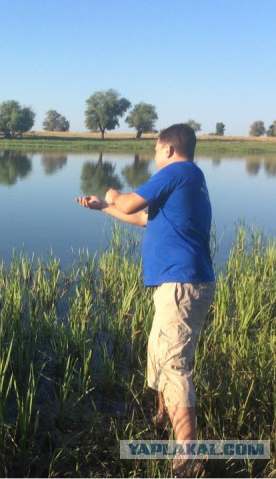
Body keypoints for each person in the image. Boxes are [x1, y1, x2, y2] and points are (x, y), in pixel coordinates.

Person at [76, 123, 215, 477]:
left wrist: (111, 193)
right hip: (177, 284)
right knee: (158, 350)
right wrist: (103, 208)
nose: (154, 157)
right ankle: (163, 415)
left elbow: (129, 201)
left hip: (181, 285)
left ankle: (189, 457)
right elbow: (141, 218)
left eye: (155, 151)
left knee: (174, 364)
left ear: (168, 149)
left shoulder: (176, 172)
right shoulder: (189, 180)